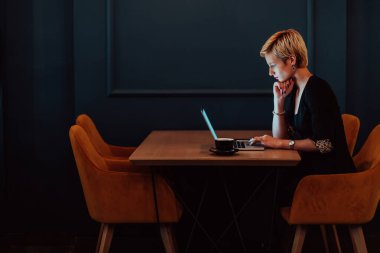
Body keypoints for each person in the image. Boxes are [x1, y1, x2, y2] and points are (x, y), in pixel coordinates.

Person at [253, 29, 356, 251]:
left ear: (291, 60)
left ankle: (266, 245)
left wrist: (282, 144)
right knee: (263, 181)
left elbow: (326, 144)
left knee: (263, 185)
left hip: (329, 177)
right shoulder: (297, 89)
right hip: (311, 170)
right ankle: (266, 244)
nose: (270, 73)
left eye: (273, 65)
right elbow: (280, 135)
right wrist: (278, 103)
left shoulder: (317, 90)